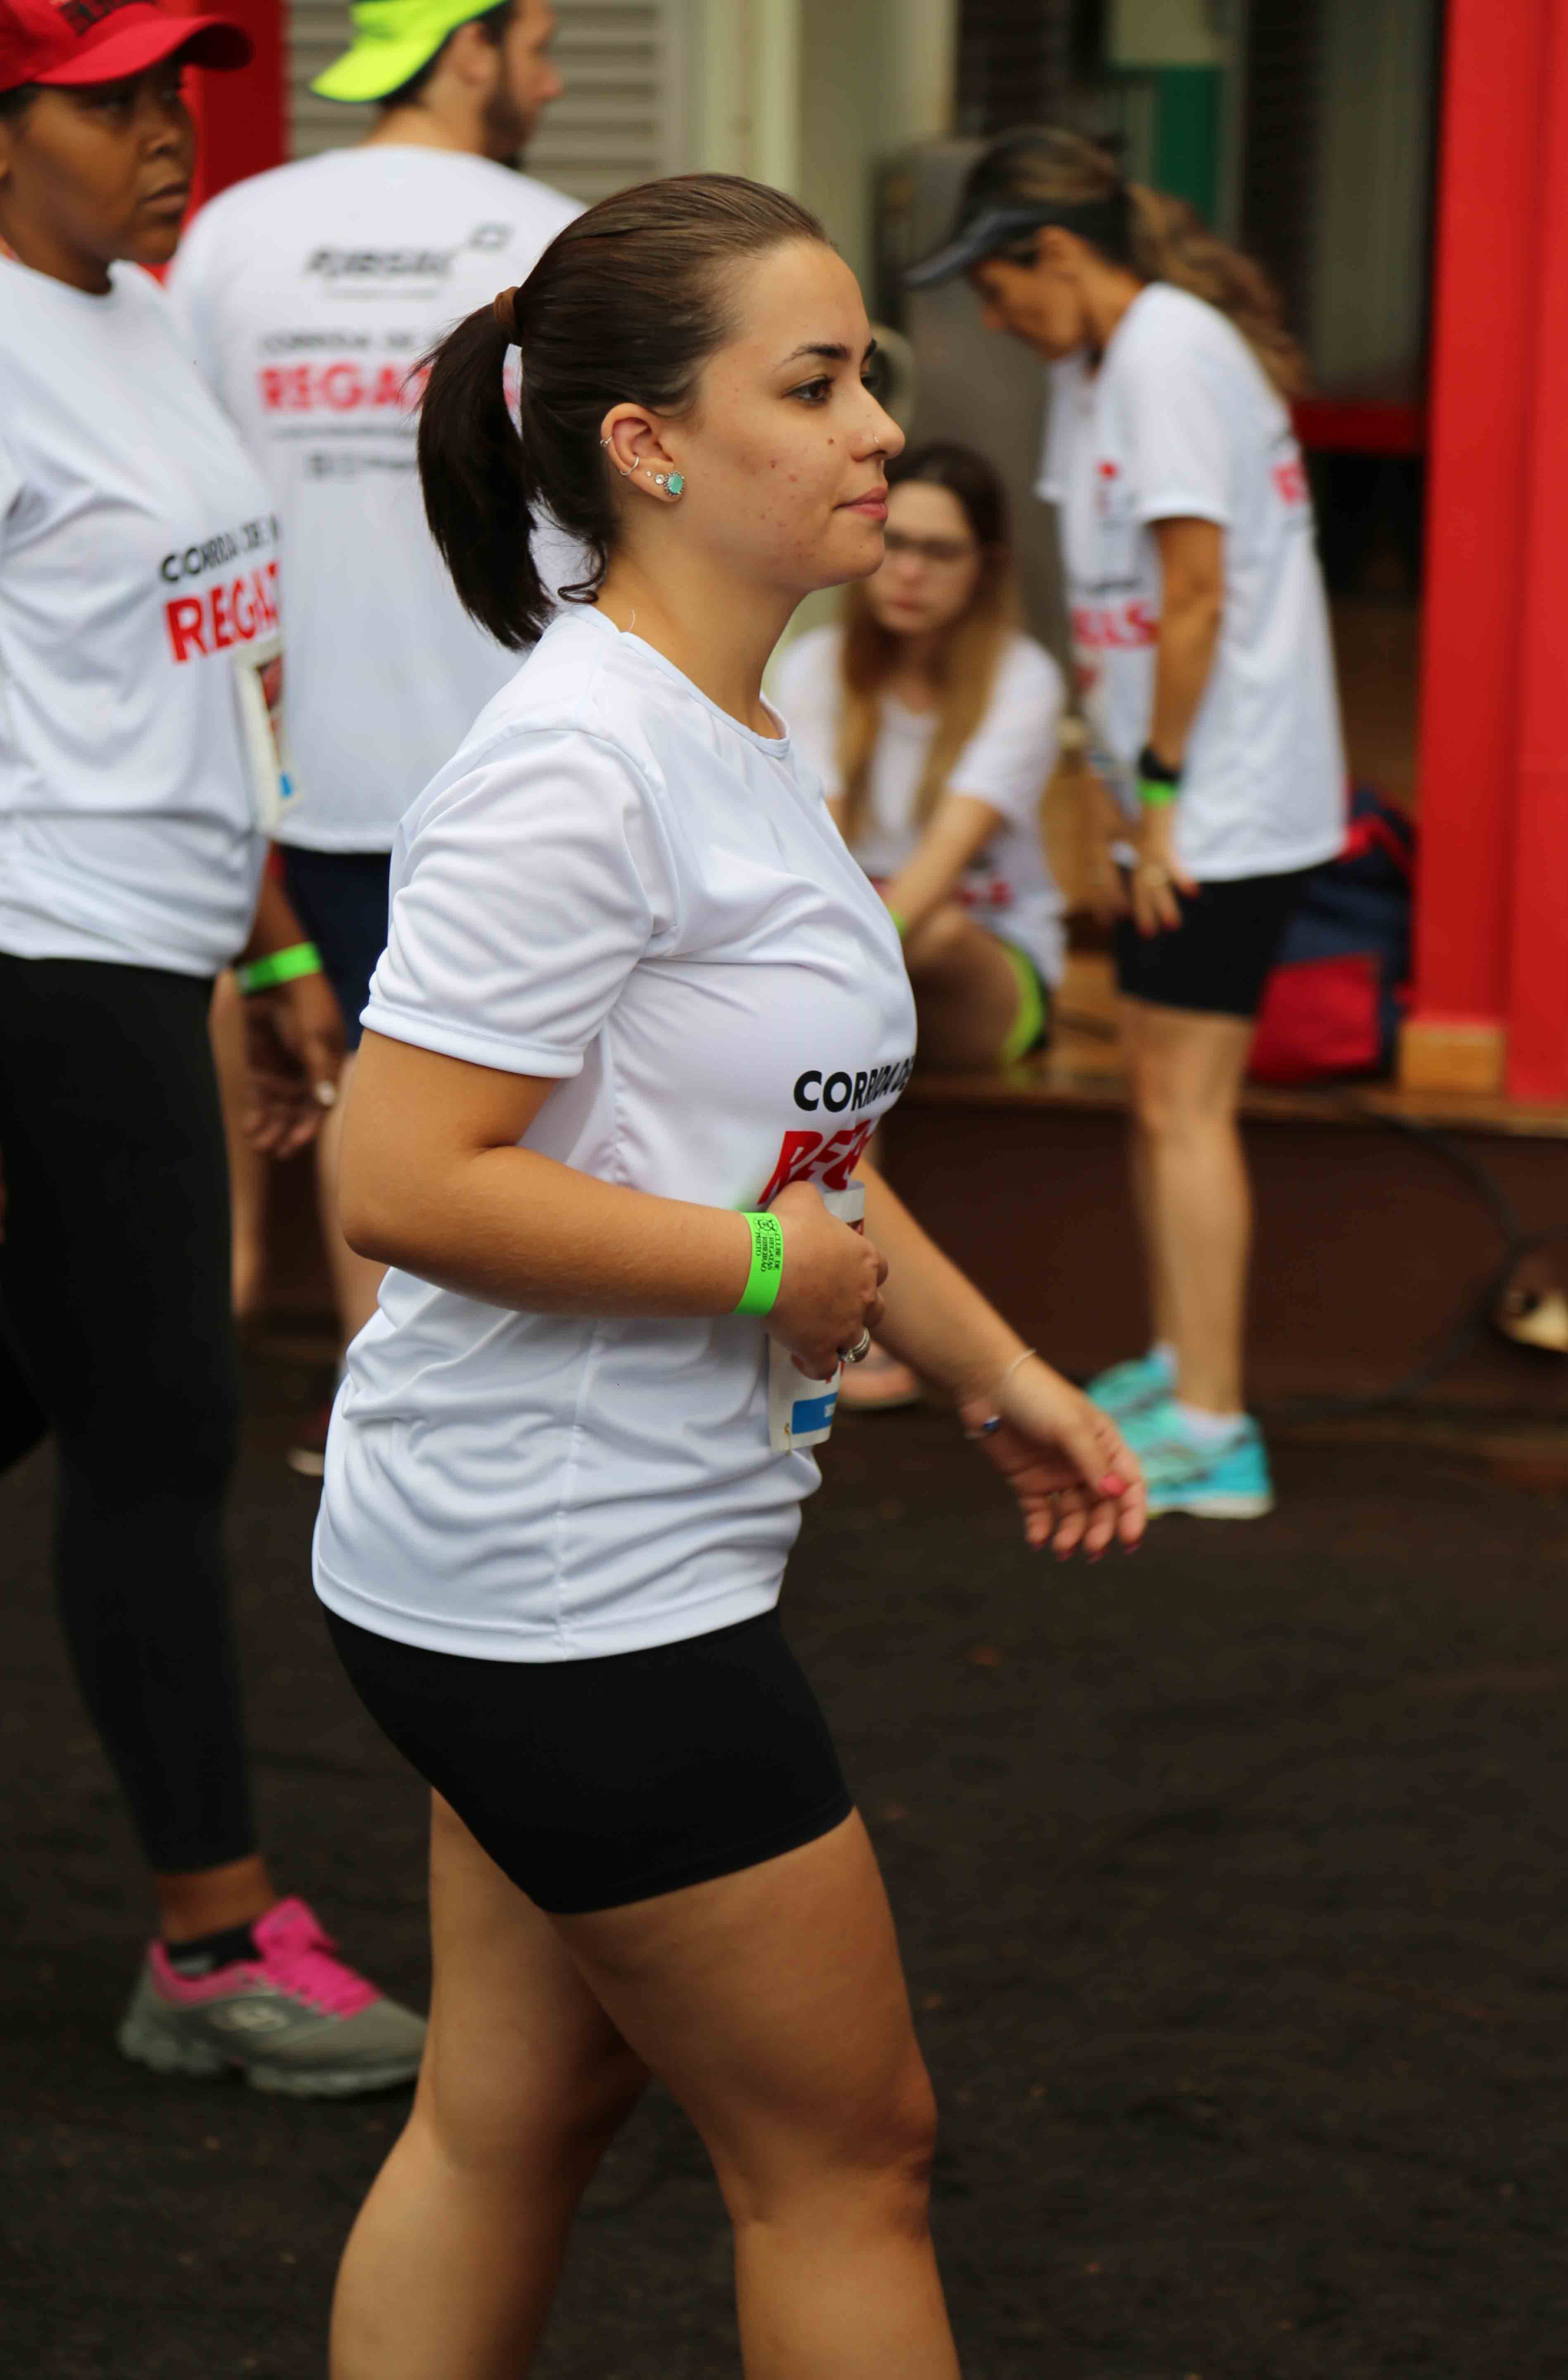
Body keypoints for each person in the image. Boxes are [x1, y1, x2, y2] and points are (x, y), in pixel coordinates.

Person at [310, 172, 1146, 2378]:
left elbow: (805, 1162)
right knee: (850, 2153)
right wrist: (762, 1262)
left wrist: (995, 1373)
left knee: (517, 2110)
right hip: (564, 1580)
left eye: (869, 370)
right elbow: (401, 1174)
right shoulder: (579, 762)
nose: (882, 422)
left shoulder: (724, 736)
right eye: (819, 380)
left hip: (539, 1554)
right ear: (648, 447)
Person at [0, 0, 424, 2092]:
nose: (172, 131)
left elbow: (213, 656)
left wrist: (266, 955)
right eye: (115, 97)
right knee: (159, 1427)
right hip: (40, 945)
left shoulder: (143, 314)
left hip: (156, 938)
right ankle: (207, 1938)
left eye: (182, 89)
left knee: (52, 1372)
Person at [908, 126, 1347, 1519]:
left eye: (996, 283)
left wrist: (1159, 797)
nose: (990, 313)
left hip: (1227, 797)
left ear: (1057, 253)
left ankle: (1217, 1427)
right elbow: (1122, 602)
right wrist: (1114, 766)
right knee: (1157, 1093)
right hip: (1176, 789)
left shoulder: (1163, 353)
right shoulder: (1105, 361)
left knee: (1187, 1108)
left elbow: (1198, 594)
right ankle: (1180, 1362)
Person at [169, 0, 578, 1474]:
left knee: (360, 1071)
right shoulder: (559, 238)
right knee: (511, 1092)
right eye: (537, 43)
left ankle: (378, 1410)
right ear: (468, 47)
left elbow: (188, 494)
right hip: (523, 749)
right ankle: (483, 1424)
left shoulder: (235, 233)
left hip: (295, 757)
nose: (551, 75)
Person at [776, 437, 1065, 1409]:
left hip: (989, 982)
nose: (906, 569)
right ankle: (848, 1313)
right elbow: (816, 857)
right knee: (853, 991)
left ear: (985, 568)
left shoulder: (1022, 680)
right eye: (893, 539)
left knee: (909, 945)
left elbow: (932, 881)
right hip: (864, 969)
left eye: (940, 551)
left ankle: (859, 1306)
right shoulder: (815, 665)